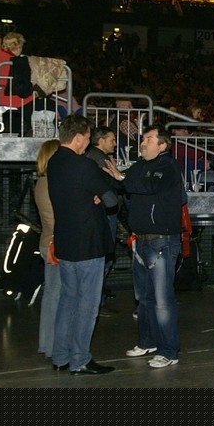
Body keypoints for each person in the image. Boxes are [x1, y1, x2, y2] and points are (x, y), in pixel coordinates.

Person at [104, 124, 184, 368]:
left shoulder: (168, 166)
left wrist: (123, 178)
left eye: (149, 139)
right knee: (144, 298)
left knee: (162, 299)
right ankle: (148, 341)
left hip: (161, 240)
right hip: (140, 240)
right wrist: (122, 179)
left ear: (162, 145)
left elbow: (146, 185)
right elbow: (126, 184)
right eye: (143, 138)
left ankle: (169, 351)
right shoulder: (140, 166)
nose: (142, 142)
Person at [47, 115, 119, 376]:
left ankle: (60, 356)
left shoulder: (53, 162)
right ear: (78, 138)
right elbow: (112, 200)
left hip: (66, 241)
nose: (89, 143)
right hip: (89, 243)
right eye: (88, 138)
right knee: (87, 305)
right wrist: (99, 194)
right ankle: (80, 359)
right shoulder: (84, 165)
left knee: (68, 300)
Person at [84, 124, 121, 309]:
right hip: (105, 214)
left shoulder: (95, 157)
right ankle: (96, 302)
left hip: (102, 213)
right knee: (104, 256)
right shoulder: (100, 160)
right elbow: (112, 189)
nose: (115, 143)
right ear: (101, 141)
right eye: (112, 140)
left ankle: (97, 299)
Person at [34, 138, 61, 365]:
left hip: (48, 242)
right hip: (56, 244)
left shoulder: (42, 182)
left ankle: (47, 343)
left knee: (52, 296)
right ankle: (53, 345)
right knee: (57, 297)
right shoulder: (52, 184)